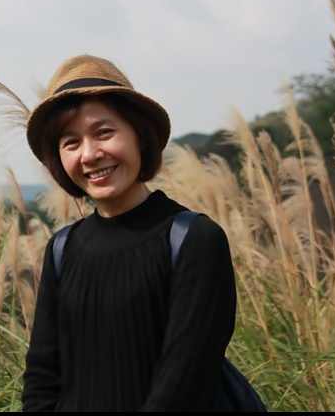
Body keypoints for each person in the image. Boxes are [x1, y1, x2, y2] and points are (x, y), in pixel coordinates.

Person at [21, 54, 237, 411]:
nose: (89, 154)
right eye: (70, 142)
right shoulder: (62, 248)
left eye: (104, 132)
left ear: (140, 135)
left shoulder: (193, 239)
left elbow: (184, 386)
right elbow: (42, 378)